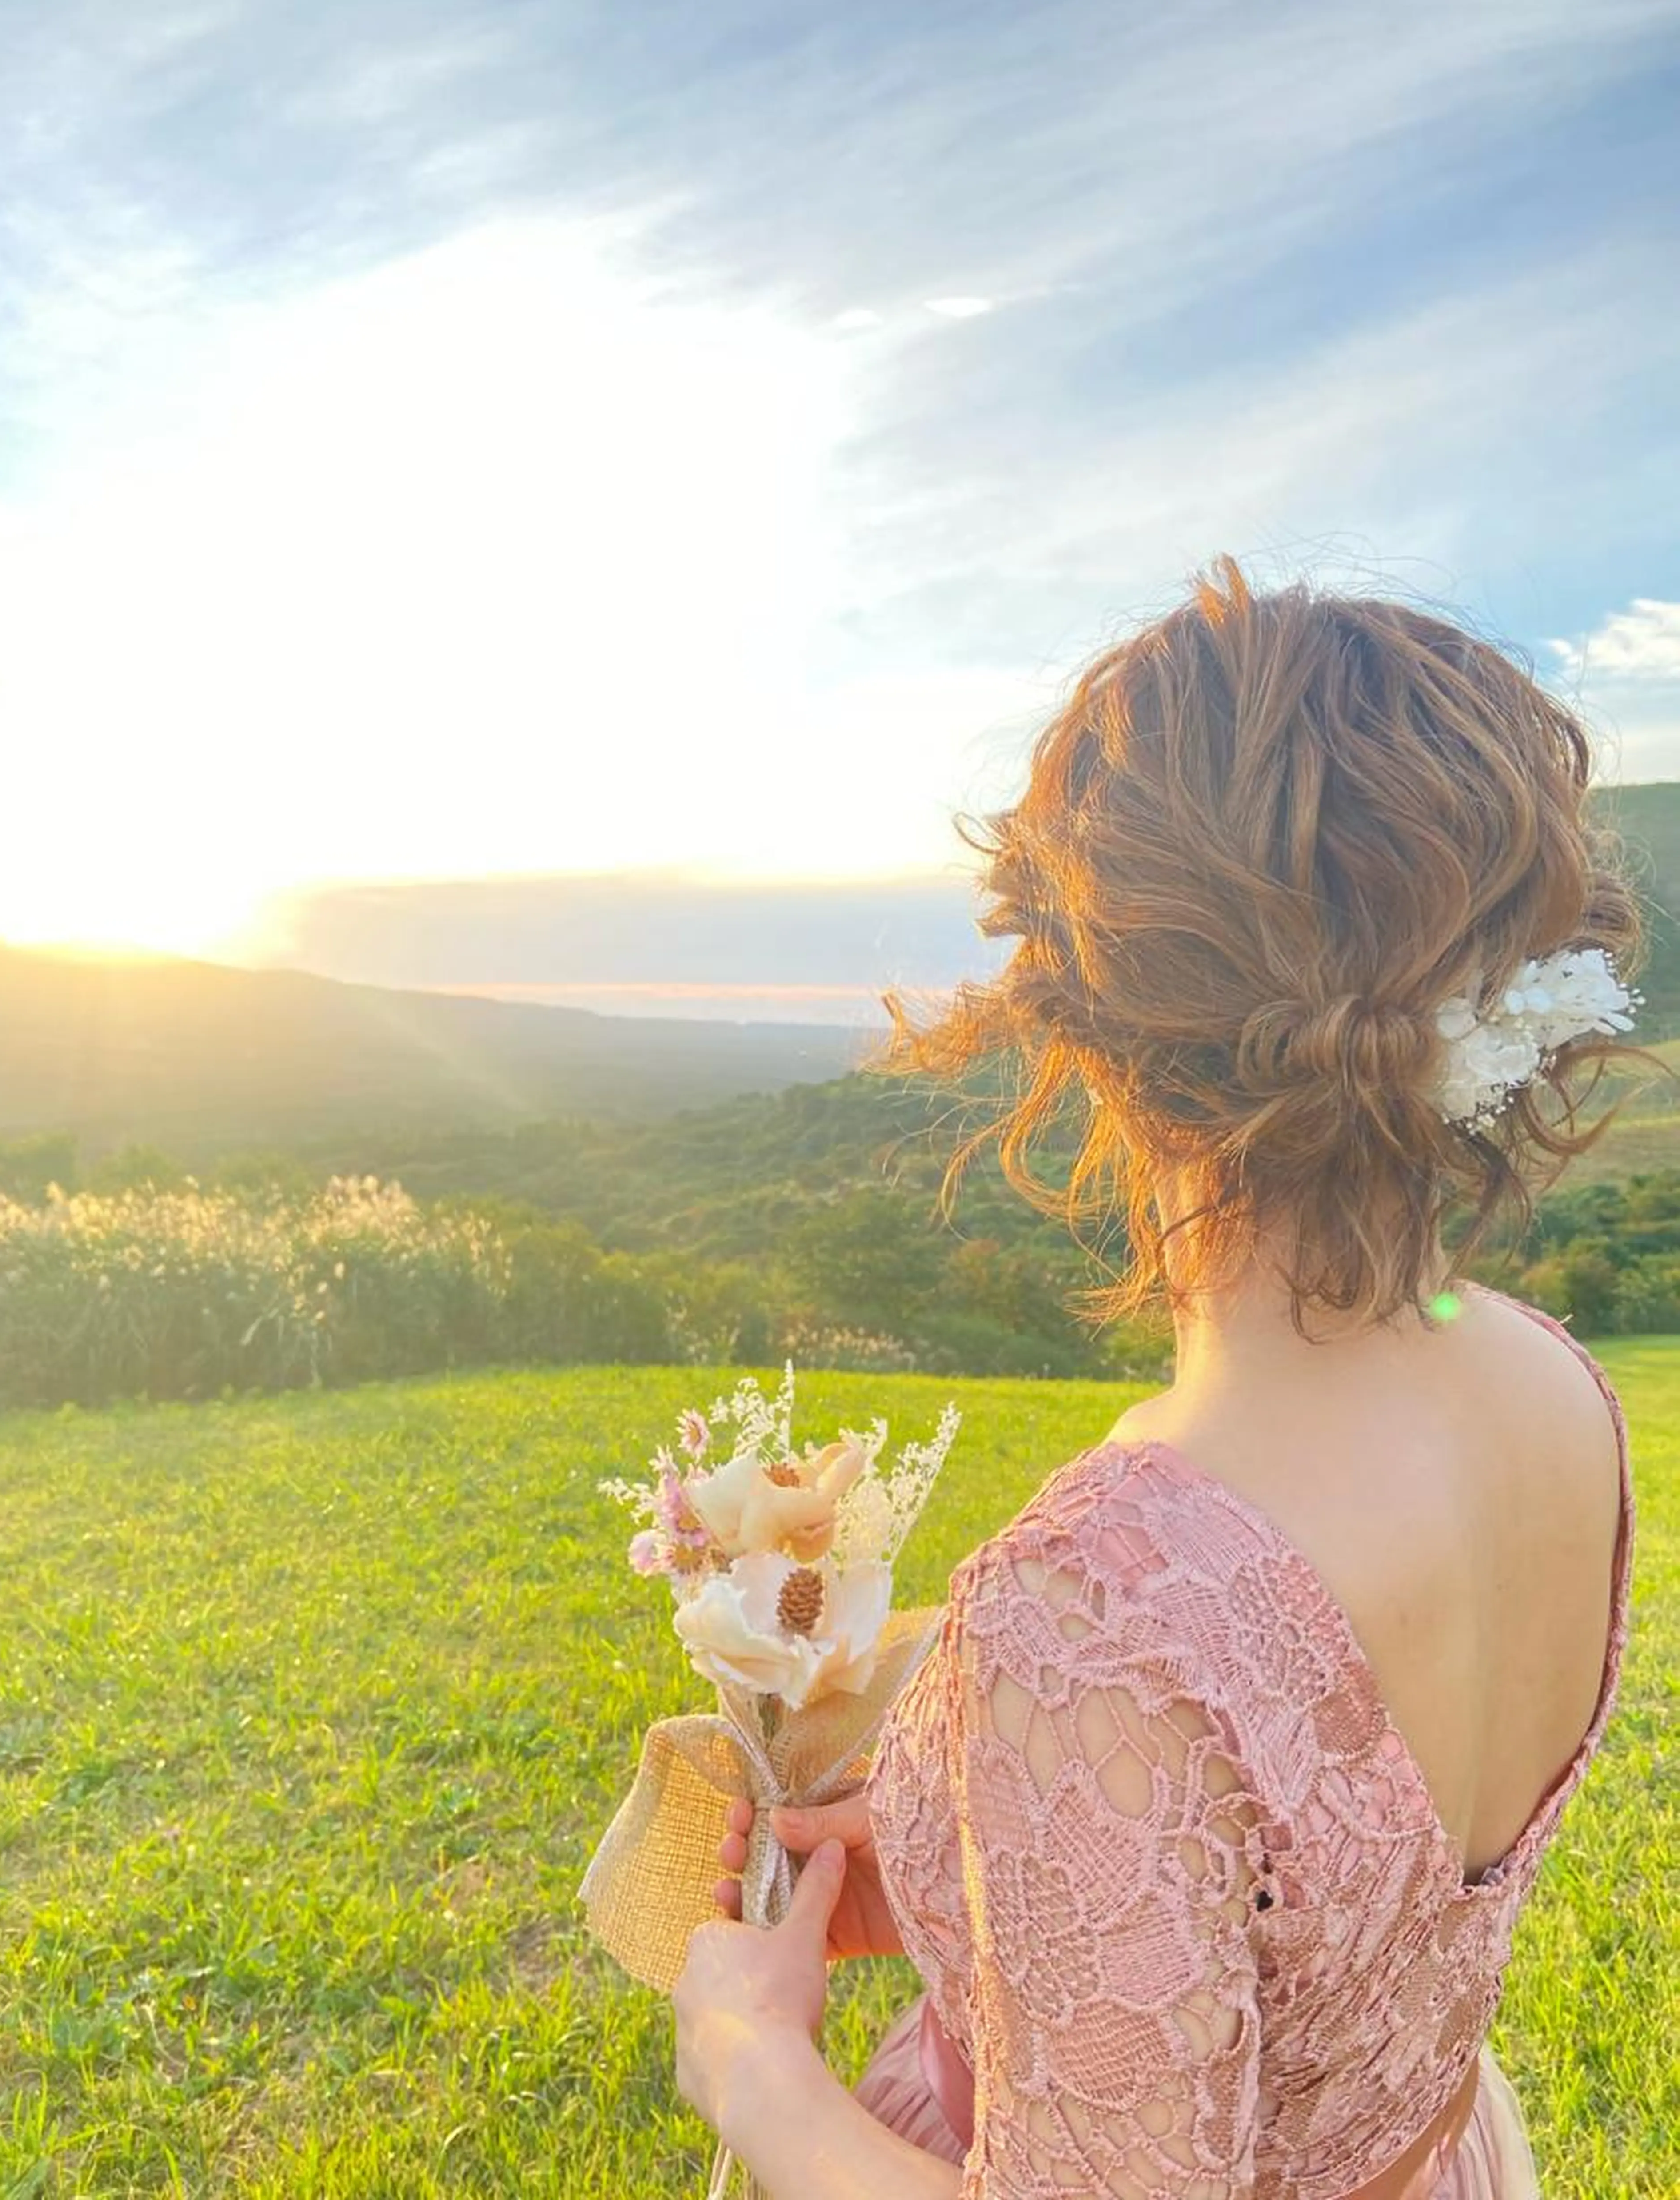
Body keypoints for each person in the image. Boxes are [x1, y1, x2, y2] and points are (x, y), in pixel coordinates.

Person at [671, 561, 1643, 2199]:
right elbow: (1331, 1910)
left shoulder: (1094, 1606)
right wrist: (971, 1877)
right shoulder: (1554, 1384)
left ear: (1091, 1025)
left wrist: (754, 2070)